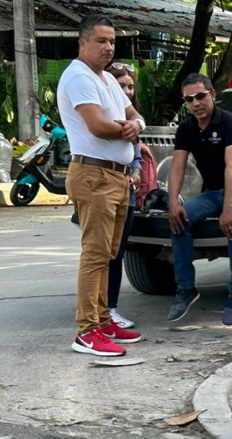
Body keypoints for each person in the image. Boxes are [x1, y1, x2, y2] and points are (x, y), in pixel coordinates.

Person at [58, 14, 146, 356]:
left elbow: (135, 114)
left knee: (109, 254)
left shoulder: (108, 79)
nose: (108, 47)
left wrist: (133, 124)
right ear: (83, 43)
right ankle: (87, 330)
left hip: (117, 176)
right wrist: (129, 127)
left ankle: (104, 318)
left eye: (112, 41)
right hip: (93, 175)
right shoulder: (78, 77)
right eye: (101, 40)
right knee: (95, 255)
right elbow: (96, 126)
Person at [166, 73, 232, 326]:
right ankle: (186, 289)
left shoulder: (230, 123)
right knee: (180, 220)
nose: (196, 103)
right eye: (189, 99)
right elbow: (177, 166)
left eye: (200, 96)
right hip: (212, 193)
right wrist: (173, 203)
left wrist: (229, 209)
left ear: (212, 94)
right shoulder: (186, 128)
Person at [105, 62, 157, 330]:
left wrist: (136, 171)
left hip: (126, 192)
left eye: (130, 86)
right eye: (120, 85)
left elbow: (135, 152)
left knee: (117, 252)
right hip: (102, 187)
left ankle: (109, 309)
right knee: (99, 254)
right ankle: (96, 314)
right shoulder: (101, 114)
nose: (126, 91)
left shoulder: (132, 119)